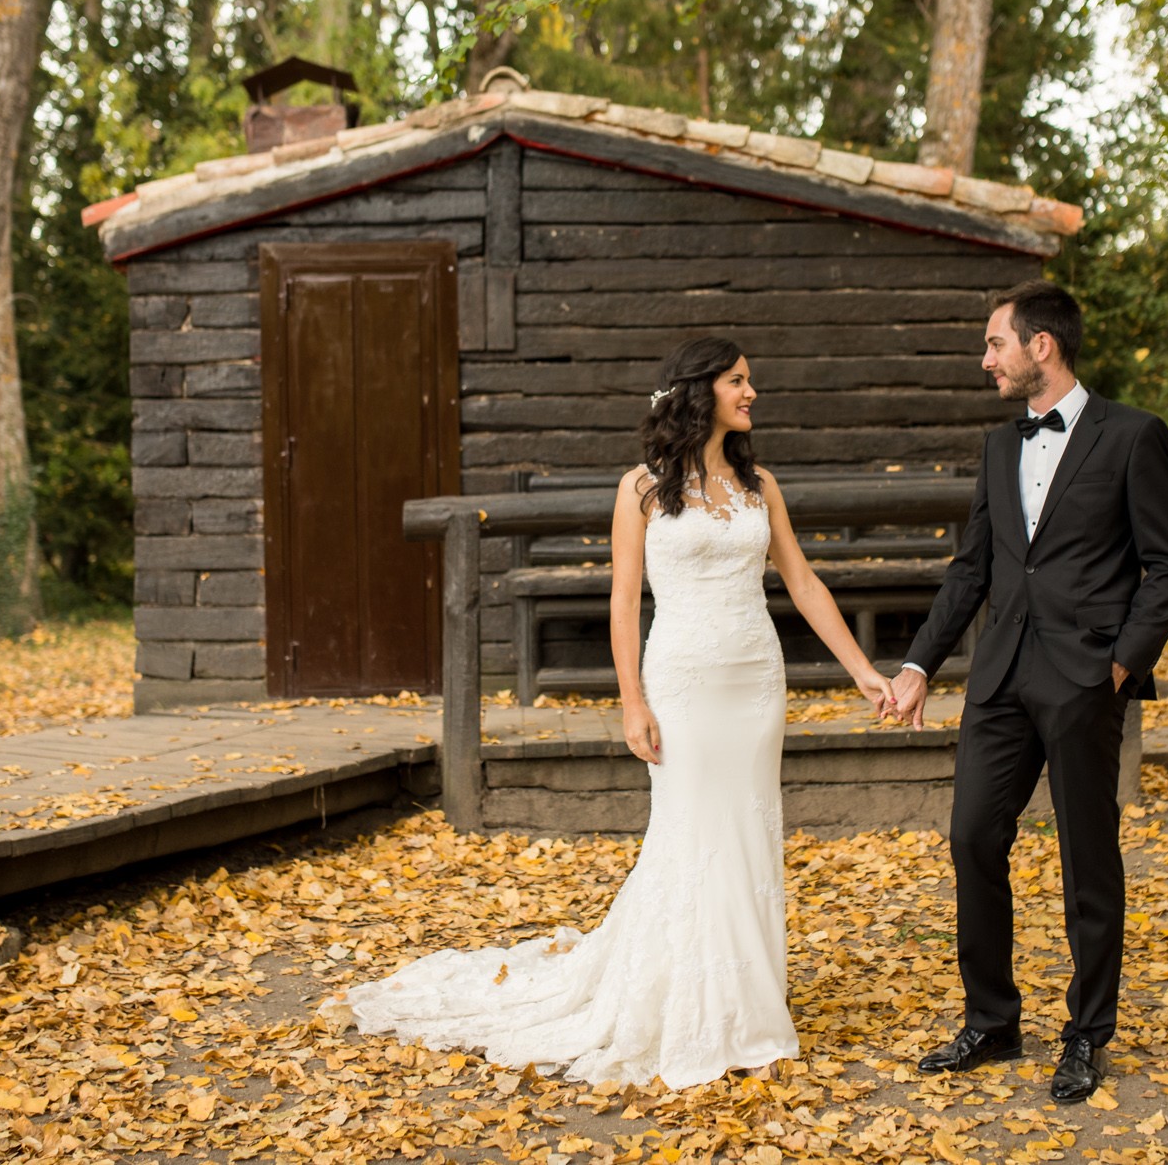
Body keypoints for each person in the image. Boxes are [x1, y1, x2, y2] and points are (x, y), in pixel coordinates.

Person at [336, 337, 896, 1088]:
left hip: (755, 680)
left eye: (750, 380)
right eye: (738, 380)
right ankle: (684, 1002)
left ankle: (748, 1007)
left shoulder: (760, 484)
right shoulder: (640, 488)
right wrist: (631, 699)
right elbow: (624, 601)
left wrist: (862, 671)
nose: (751, 392)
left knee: (749, 833)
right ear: (701, 391)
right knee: (691, 832)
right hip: (683, 680)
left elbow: (801, 581)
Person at [884, 280, 1168, 1103]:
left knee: (1088, 861)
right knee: (973, 838)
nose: (986, 359)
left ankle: (1087, 1034)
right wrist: (918, 665)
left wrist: (1118, 667)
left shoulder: (1133, 437)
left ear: (1040, 345)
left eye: (995, 343)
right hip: (1000, 679)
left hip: (1086, 680)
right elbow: (974, 569)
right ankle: (993, 1019)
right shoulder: (997, 446)